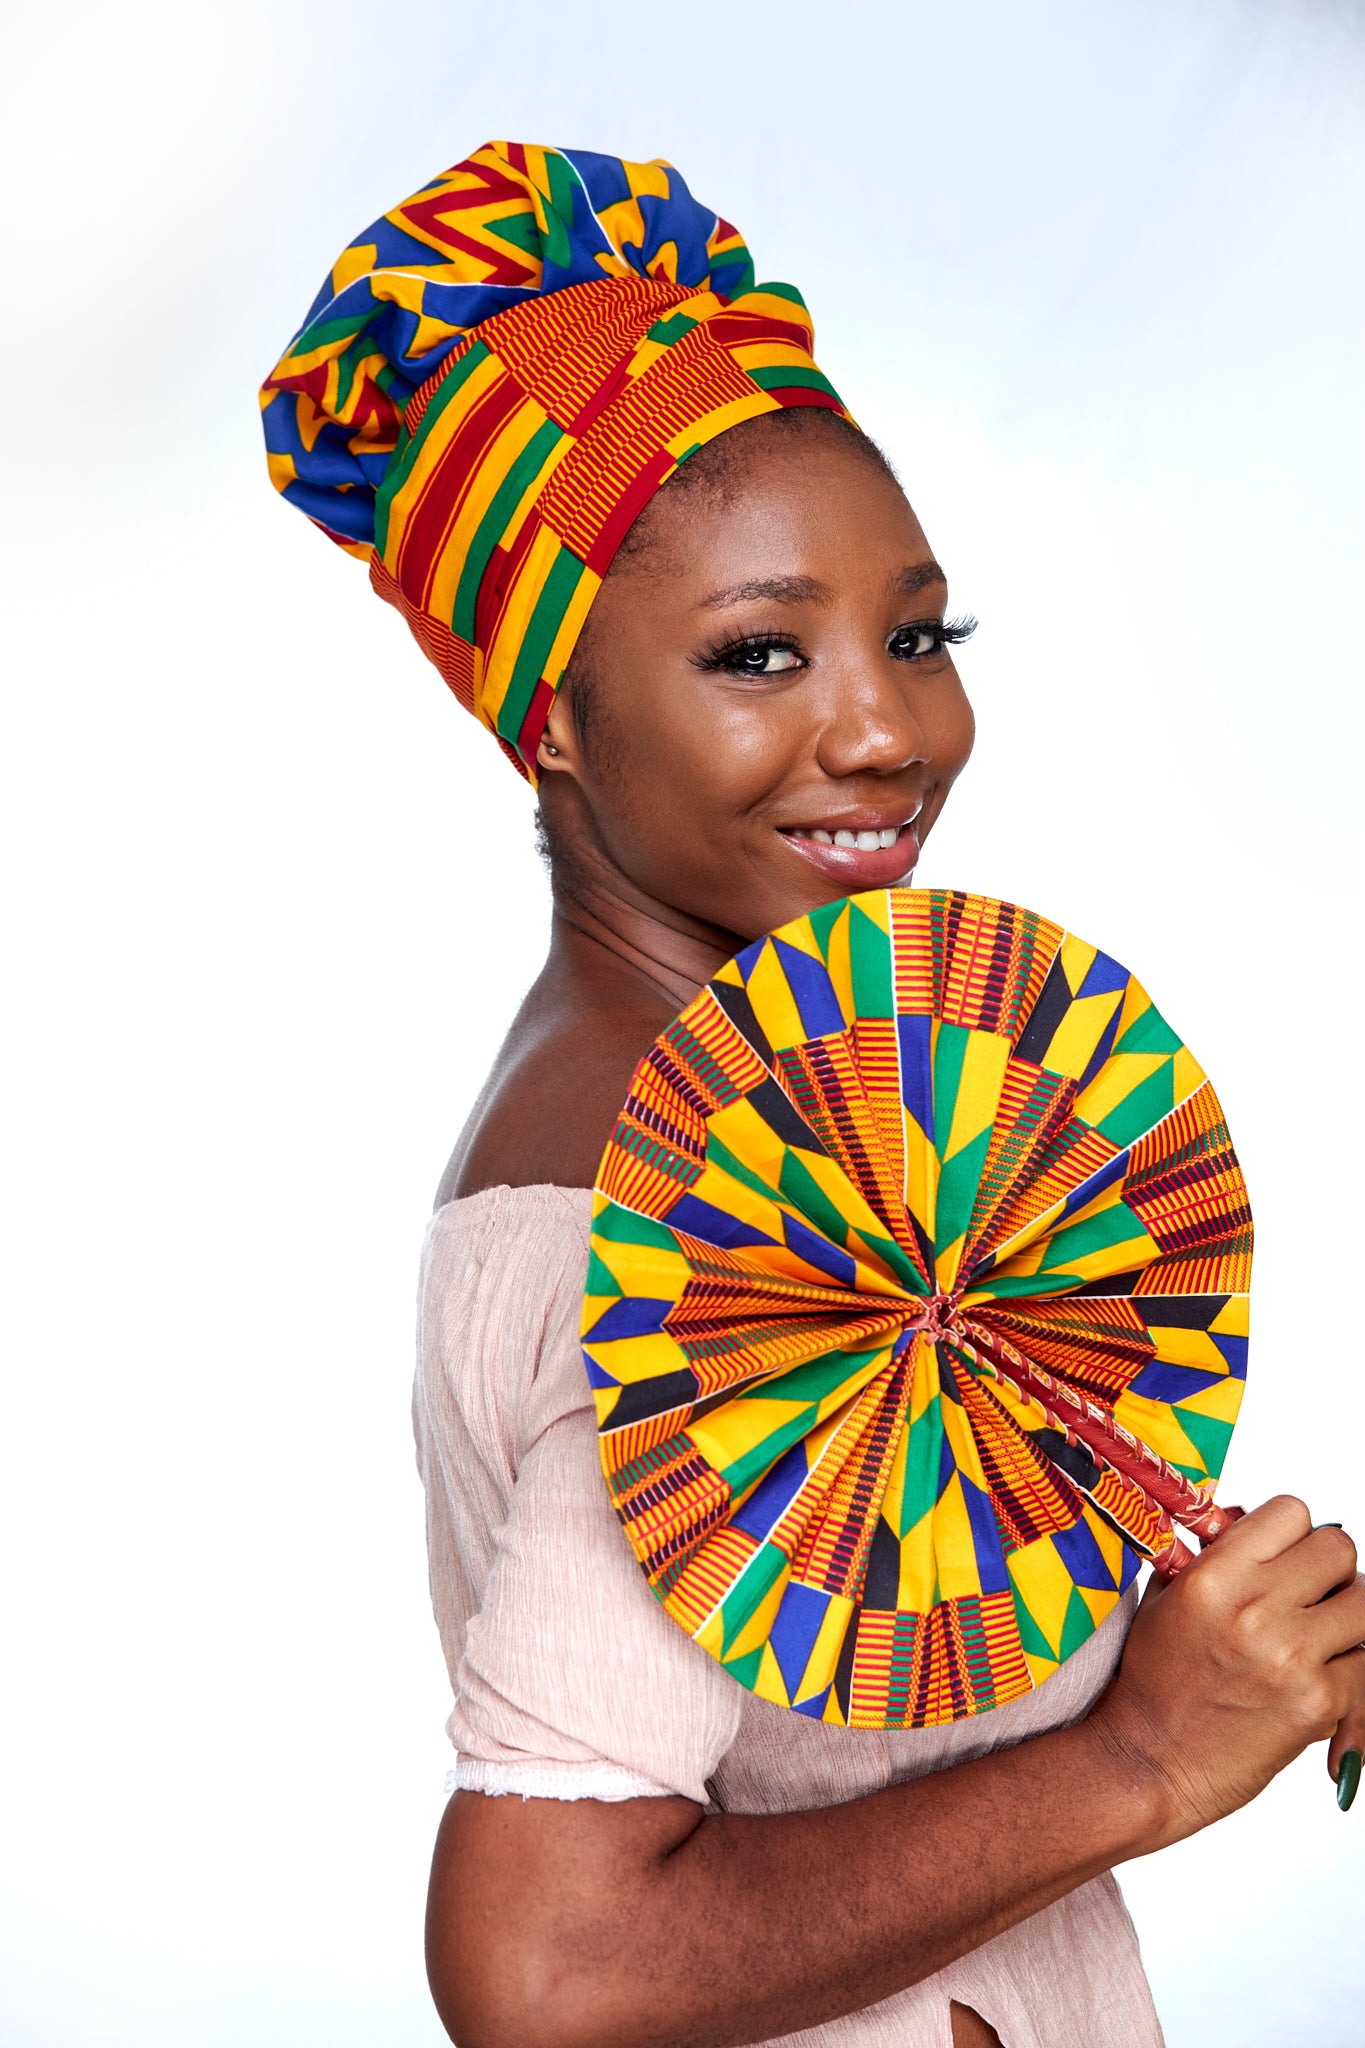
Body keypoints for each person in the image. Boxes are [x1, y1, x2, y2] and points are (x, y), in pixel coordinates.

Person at [263, 141, 1365, 2048]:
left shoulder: (781, 1117)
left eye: (916, 636)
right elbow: (545, 1971)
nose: (883, 730)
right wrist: (1143, 1762)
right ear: (548, 709)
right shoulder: (685, 1208)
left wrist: (1227, 1628)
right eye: (756, 654)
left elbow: (869, 1616)